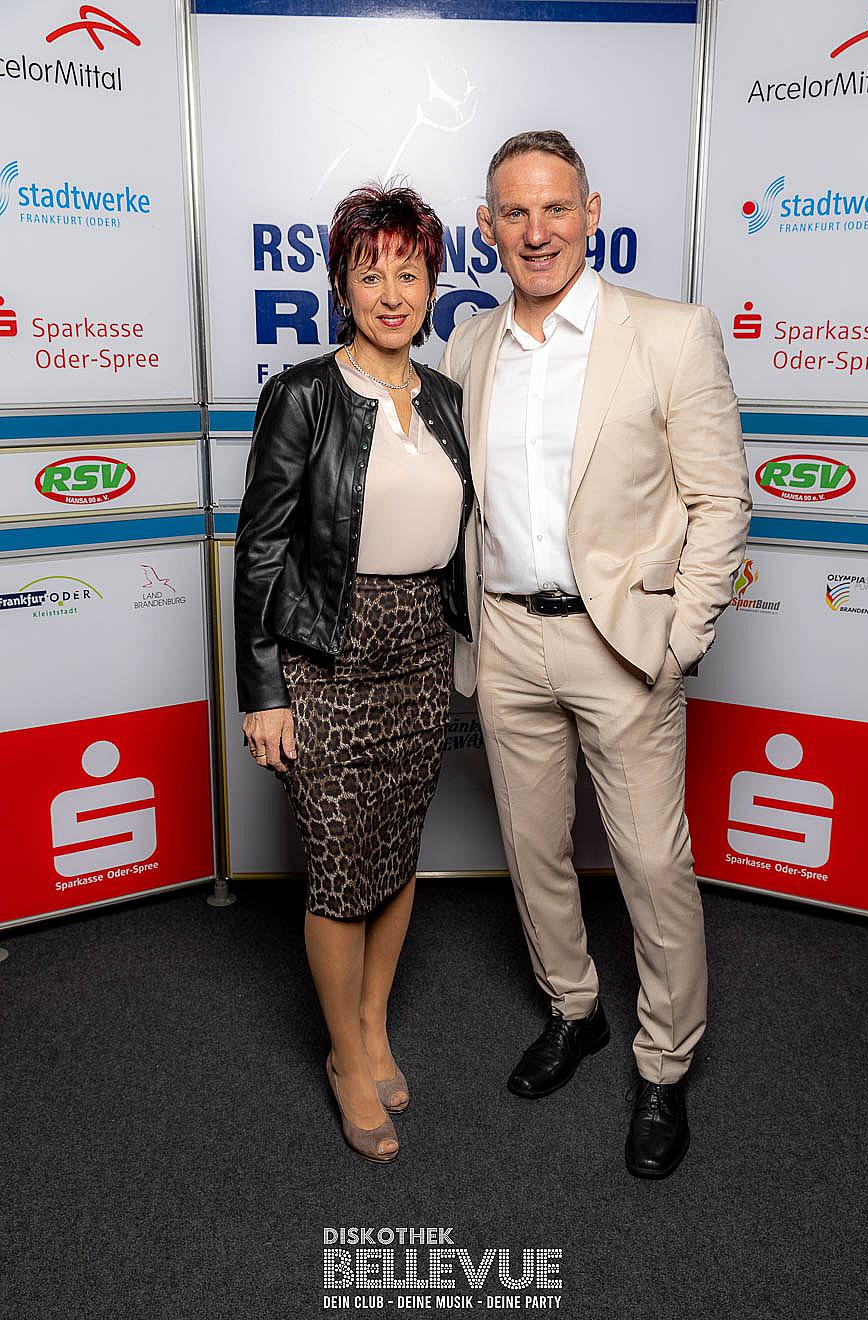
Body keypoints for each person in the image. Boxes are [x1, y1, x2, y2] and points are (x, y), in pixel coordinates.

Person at [441, 130, 751, 1178]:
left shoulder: (669, 333)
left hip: (622, 643)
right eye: (514, 213)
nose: (537, 232)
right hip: (506, 636)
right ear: (487, 228)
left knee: (652, 864)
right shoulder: (468, 346)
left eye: (556, 208)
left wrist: (680, 636)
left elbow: (719, 500)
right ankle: (574, 1010)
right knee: (532, 850)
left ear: (591, 212)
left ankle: (664, 1064)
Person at [234, 184, 472, 1163]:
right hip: (327, 653)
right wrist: (262, 692)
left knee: (395, 852)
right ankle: (342, 1053)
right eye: (370, 275)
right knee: (337, 869)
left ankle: (374, 1025)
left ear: (432, 285)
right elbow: (260, 549)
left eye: (409, 274)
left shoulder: (447, 399)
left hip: (419, 648)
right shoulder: (302, 395)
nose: (391, 293)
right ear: (341, 287)